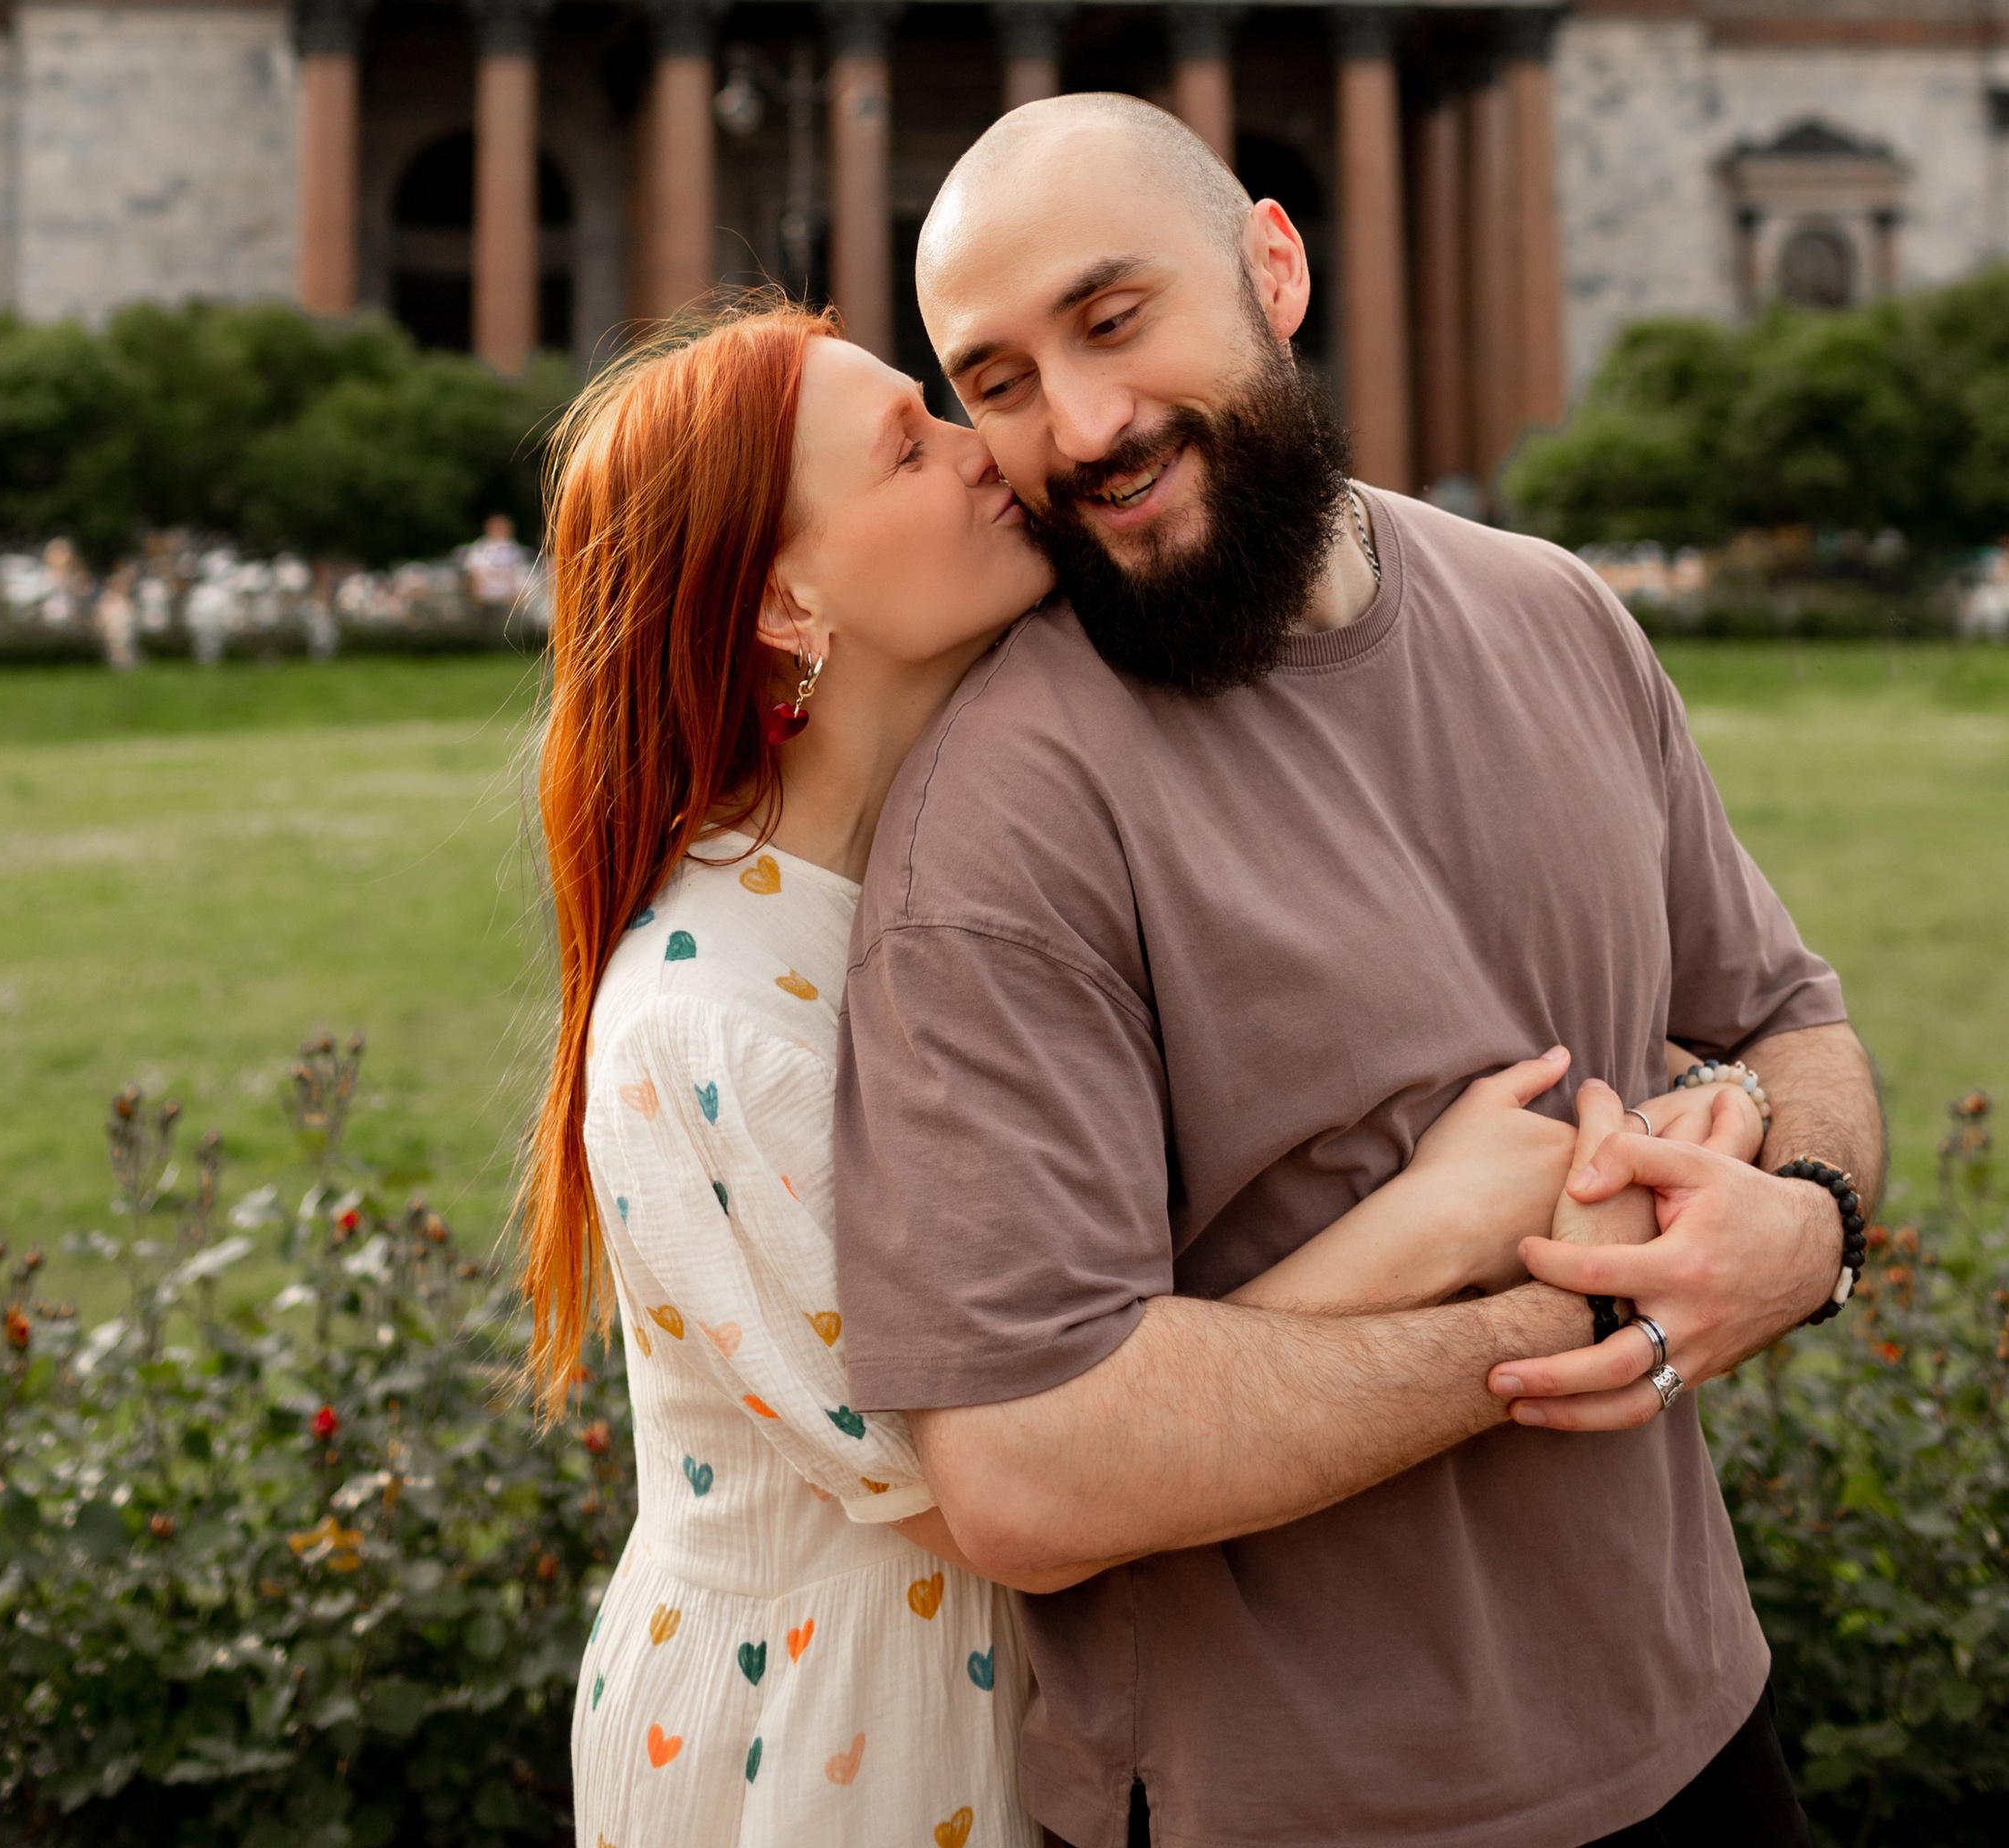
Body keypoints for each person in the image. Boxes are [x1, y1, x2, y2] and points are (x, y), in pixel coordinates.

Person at [521, 302, 1744, 1847]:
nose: (990, 452)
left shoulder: (946, 865)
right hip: (835, 1744)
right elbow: (1031, 1466)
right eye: (910, 448)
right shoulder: (709, 1026)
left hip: (1061, 1711)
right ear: (784, 599)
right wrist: (1439, 1227)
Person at [831, 91, 1881, 1848]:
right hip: (1282, 1810)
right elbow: (1020, 1471)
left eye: (1113, 319)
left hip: (1698, 1727)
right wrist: (1582, 1312)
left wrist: (1809, 1225)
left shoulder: (1553, 612)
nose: (1079, 427)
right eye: (996, 382)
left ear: (1273, 265)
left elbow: (1790, 1018)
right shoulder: (1005, 823)